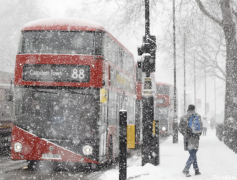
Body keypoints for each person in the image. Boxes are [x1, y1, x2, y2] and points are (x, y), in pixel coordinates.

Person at [179, 104, 203, 177]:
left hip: (187, 138)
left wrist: (185, 134)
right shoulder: (198, 116)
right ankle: (186, 169)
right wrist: (197, 134)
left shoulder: (183, 117)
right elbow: (201, 127)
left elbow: (179, 128)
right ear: (194, 109)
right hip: (195, 137)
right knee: (193, 153)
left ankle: (196, 169)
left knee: (192, 153)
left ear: (188, 109)